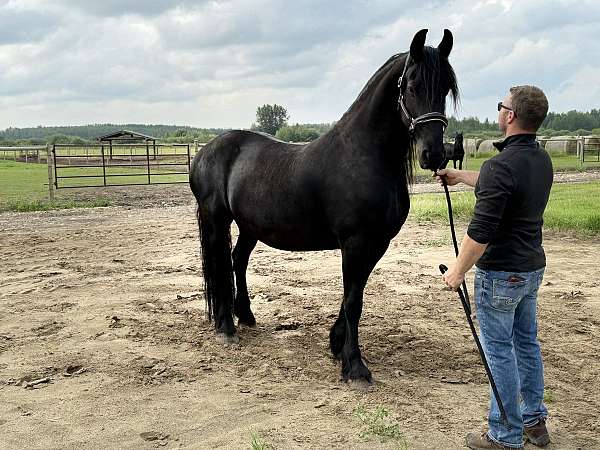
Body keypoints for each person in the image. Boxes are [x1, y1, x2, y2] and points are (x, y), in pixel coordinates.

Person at [437, 85, 553, 450]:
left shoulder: (502, 166)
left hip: (500, 275)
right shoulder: (539, 159)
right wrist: (461, 176)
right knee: (526, 344)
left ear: (511, 116)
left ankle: (503, 435)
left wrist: (457, 271)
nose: (499, 110)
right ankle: (534, 421)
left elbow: (479, 234)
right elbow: (500, 181)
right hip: (531, 270)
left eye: (501, 105)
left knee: (499, 350)